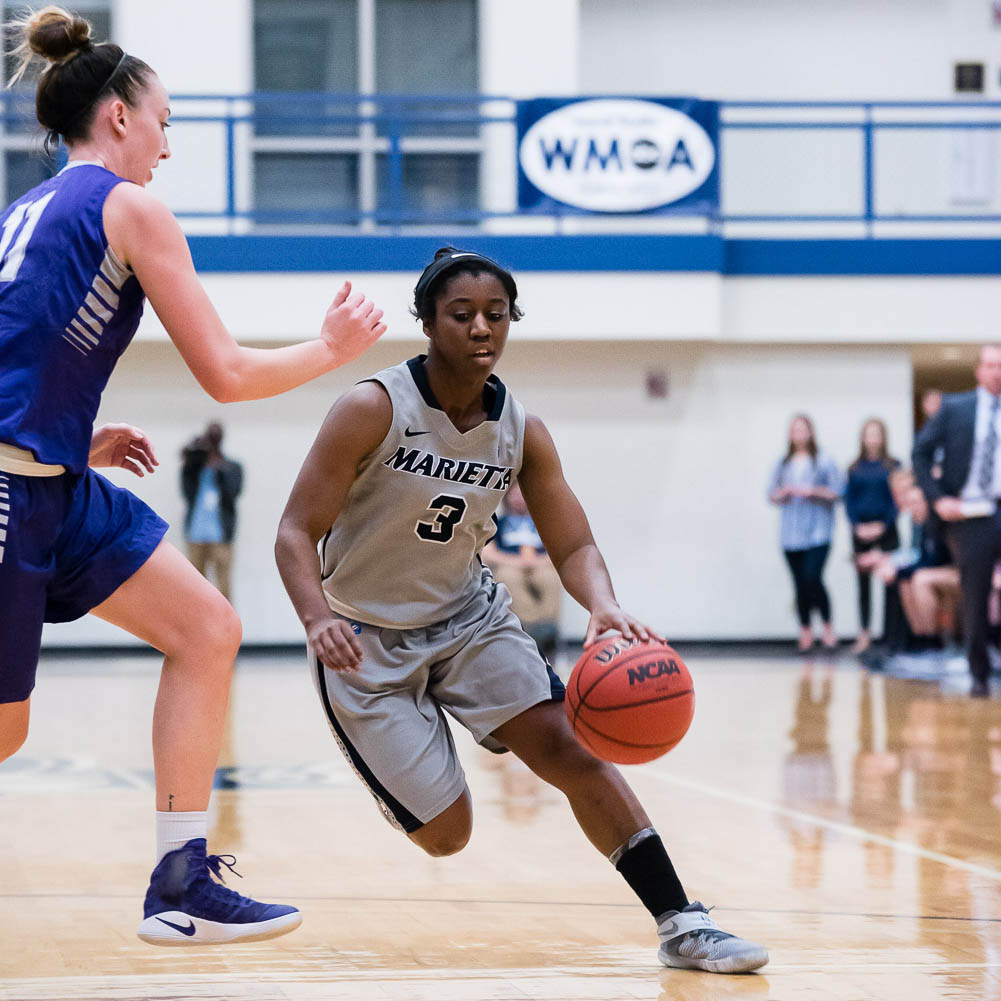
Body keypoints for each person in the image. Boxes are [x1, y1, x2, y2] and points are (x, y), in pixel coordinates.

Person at [0, 7, 385, 944]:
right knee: (3, 733)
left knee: (208, 628)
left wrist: (62, 435)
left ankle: (181, 881)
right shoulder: (129, 207)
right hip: (12, 491)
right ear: (120, 115)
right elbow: (228, 373)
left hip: (49, 477)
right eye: (164, 120)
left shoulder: (22, 209)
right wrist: (331, 347)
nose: (168, 143)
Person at [275, 247, 769, 974]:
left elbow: (573, 543)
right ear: (427, 322)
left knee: (574, 750)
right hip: (363, 638)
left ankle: (681, 922)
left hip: (468, 621)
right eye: (462, 314)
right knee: (448, 836)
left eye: (496, 315)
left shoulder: (520, 430)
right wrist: (316, 617)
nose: (481, 328)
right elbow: (293, 529)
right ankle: (406, 759)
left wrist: (602, 604)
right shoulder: (371, 408)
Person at [913, 344, 1001, 697]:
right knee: (975, 595)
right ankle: (978, 674)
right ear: (979, 370)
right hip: (971, 513)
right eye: (991, 365)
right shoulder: (955, 408)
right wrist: (937, 499)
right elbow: (920, 453)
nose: (997, 371)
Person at [767, 415, 844, 653]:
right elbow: (770, 493)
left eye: (803, 429)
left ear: (811, 432)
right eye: (795, 430)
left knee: (813, 577)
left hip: (818, 533)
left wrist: (812, 491)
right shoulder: (783, 462)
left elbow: (838, 491)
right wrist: (784, 494)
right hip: (791, 535)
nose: (799, 434)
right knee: (799, 584)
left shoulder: (824, 460)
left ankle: (828, 629)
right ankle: (805, 632)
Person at [481, 480, 562, 658]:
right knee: (507, 577)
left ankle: (548, 626)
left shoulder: (544, 523)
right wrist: (520, 562)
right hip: (510, 564)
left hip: (539, 564)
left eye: (522, 494)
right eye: (515, 495)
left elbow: (558, 552)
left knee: (550, 577)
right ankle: (530, 628)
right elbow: (489, 554)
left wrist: (534, 563)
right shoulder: (498, 523)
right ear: (507, 498)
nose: (519, 499)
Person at [844, 419, 900, 655]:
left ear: (883, 437)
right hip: (861, 532)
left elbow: (897, 499)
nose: (873, 438)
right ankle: (864, 634)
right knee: (863, 586)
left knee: (890, 582)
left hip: (886, 530)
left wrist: (883, 525)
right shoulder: (854, 468)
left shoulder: (893, 465)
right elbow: (848, 501)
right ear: (863, 437)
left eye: (877, 433)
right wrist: (858, 526)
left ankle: (890, 636)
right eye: (869, 433)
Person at [181, 422, 243, 601]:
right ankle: (194, 627)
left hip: (221, 537)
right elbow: (186, 491)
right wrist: (192, 455)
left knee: (224, 588)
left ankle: (227, 629)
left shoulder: (232, 467)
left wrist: (219, 469)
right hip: (195, 535)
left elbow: (234, 492)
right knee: (194, 590)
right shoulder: (194, 468)